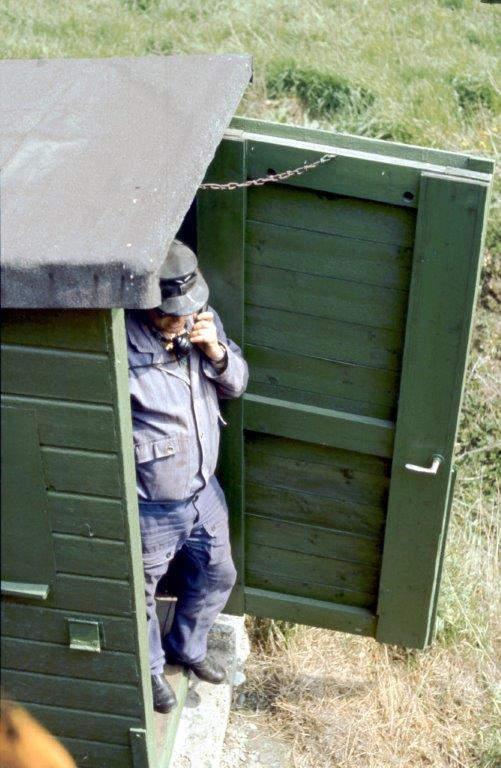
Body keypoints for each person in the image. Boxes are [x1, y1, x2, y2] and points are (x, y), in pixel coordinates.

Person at [126, 239, 248, 714]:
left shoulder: (203, 324)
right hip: (152, 503)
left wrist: (216, 352)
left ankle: (188, 649)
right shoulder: (123, 346)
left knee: (219, 573)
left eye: (188, 309)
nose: (182, 320)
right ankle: (151, 671)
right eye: (170, 313)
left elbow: (236, 383)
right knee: (142, 595)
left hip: (203, 493)